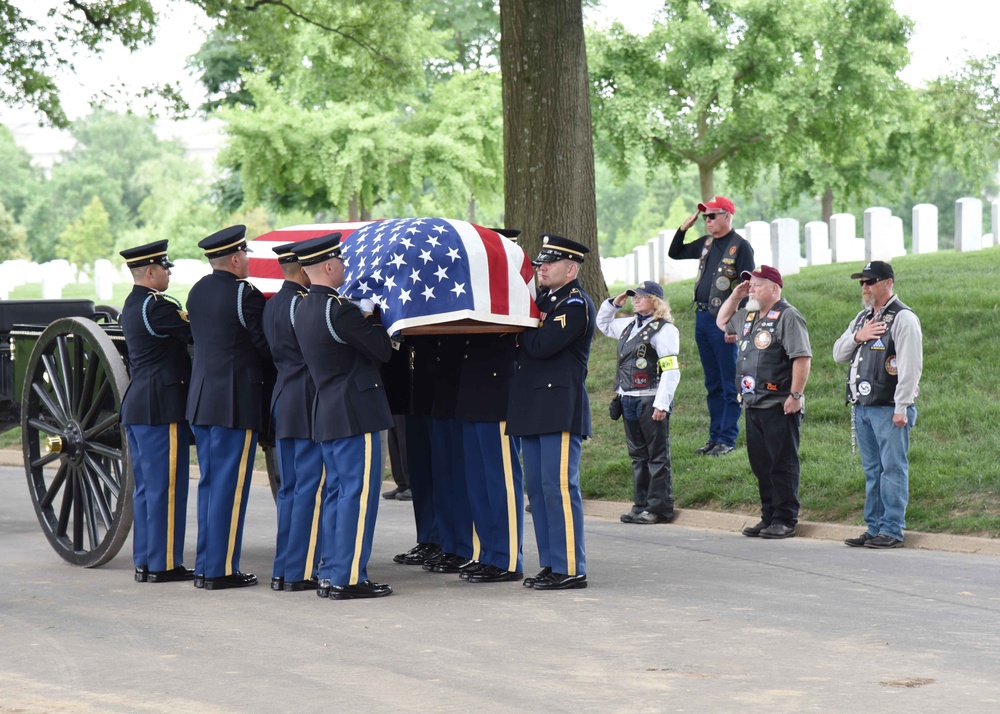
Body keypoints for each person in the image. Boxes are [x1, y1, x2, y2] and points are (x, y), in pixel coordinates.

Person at [291, 233, 394, 600]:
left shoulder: (303, 307)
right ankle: (348, 578)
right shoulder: (341, 310)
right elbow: (382, 350)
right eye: (342, 263)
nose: (346, 268)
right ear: (330, 266)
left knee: (337, 493)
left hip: (327, 411)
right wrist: (374, 318)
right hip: (356, 412)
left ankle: (331, 571)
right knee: (357, 494)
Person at [187, 225, 273, 590]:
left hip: (202, 400)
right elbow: (262, 345)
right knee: (228, 487)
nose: (248, 261)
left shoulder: (196, 291)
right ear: (236, 258)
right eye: (246, 255)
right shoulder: (244, 294)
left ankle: (208, 565)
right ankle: (220, 571)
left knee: (210, 485)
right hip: (235, 403)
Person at [507, 234, 595, 591]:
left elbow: (539, 346)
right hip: (533, 407)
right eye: (541, 262)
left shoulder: (574, 305)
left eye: (550, 262)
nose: (541, 267)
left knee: (559, 488)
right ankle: (552, 563)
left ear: (571, 268)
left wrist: (522, 329)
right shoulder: (543, 303)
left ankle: (571, 566)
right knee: (539, 491)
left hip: (558, 407)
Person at [118, 240, 194, 584]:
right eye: (165, 267)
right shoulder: (157, 308)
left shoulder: (133, 306)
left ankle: (146, 561)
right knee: (166, 487)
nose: (168, 272)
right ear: (150, 271)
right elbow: (195, 331)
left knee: (148, 488)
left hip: (139, 406)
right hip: (160, 408)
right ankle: (163, 565)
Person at [716, 266, 811, 540]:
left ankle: (785, 519)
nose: (752, 289)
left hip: (779, 403)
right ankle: (768, 516)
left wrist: (795, 396)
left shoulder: (788, 316)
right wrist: (735, 296)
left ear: (775, 288)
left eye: (757, 284)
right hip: (753, 403)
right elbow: (722, 322)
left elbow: (801, 358)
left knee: (782, 464)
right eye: (750, 284)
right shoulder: (748, 315)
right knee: (761, 464)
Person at [833, 261, 923, 549]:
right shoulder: (862, 319)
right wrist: (858, 336)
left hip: (889, 408)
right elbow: (838, 353)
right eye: (862, 282)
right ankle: (874, 527)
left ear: (888, 283)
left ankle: (892, 529)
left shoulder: (903, 318)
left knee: (892, 469)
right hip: (863, 408)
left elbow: (910, 367)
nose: (865, 286)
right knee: (873, 470)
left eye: (870, 281)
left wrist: (902, 406)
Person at [668, 196, 755, 456]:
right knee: (712, 382)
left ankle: (727, 438)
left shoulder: (741, 247)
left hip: (724, 322)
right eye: (705, 217)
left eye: (713, 216)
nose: (708, 221)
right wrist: (683, 228)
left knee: (729, 382)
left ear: (727, 216)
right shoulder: (706, 243)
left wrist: (735, 326)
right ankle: (714, 437)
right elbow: (675, 253)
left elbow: (746, 290)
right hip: (703, 318)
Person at [261, 242, 323, 591]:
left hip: (283, 400)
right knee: (308, 489)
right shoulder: (304, 304)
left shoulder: (273, 305)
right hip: (306, 401)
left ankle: (284, 567)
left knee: (290, 490)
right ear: (304, 270)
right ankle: (302, 570)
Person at [597, 280, 681, 525]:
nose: (635, 299)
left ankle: (659, 508)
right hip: (628, 398)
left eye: (641, 296)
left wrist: (662, 403)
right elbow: (603, 324)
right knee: (638, 456)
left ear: (655, 301)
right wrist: (614, 303)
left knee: (657, 455)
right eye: (634, 296)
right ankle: (641, 504)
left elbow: (671, 370)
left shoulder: (664, 329)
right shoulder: (629, 325)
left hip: (650, 397)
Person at [455, 332, 524, 583]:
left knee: (500, 483)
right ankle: (488, 554)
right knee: (478, 485)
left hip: (496, 392)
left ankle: (507, 559)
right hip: (472, 391)